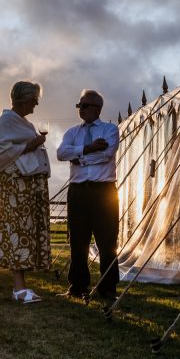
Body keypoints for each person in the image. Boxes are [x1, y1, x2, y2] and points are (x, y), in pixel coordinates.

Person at [57, 89, 120, 301]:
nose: (80, 110)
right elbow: (61, 153)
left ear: (97, 108)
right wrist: (89, 148)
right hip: (78, 191)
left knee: (107, 241)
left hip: (104, 192)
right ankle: (77, 286)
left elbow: (106, 154)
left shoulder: (110, 129)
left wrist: (80, 156)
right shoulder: (72, 132)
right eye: (79, 105)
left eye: (83, 106)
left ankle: (108, 287)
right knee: (78, 240)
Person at [0, 82, 51, 304]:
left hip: (27, 187)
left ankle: (22, 287)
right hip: (19, 188)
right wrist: (33, 144)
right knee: (18, 230)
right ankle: (19, 288)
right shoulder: (7, 120)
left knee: (25, 231)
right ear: (23, 99)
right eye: (34, 99)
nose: (36, 104)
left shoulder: (22, 122)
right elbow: (4, 150)